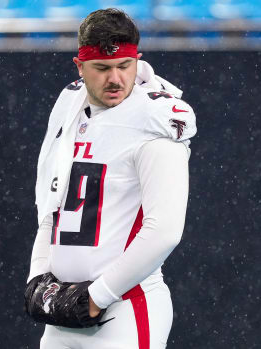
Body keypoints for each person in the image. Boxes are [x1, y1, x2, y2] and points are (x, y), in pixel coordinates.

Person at [24, 8, 197, 349]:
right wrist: (38, 278)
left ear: (138, 60)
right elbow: (52, 206)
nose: (115, 79)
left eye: (124, 66)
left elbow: (164, 230)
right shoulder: (70, 107)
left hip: (125, 308)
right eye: (102, 68)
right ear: (80, 66)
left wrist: (96, 296)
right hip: (63, 311)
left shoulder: (156, 119)